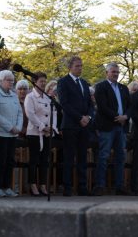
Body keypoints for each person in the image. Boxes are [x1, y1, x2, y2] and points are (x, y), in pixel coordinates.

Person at [56, 56, 94, 196]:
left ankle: (82, 186)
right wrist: (79, 118)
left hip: (84, 126)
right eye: (77, 66)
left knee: (82, 157)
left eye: (81, 66)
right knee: (69, 157)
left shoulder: (84, 83)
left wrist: (88, 117)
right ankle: (67, 186)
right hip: (71, 125)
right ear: (70, 67)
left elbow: (90, 104)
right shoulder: (63, 82)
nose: (80, 68)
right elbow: (64, 104)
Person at [92, 62, 130, 196]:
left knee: (121, 157)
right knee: (104, 156)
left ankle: (119, 186)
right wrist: (117, 117)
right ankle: (100, 186)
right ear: (106, 73)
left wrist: (125, 116)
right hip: (107, 126)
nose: (116, 74)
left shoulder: (123, 88)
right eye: (113, 72)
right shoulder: (101, 87)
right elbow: (102, 106)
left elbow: (130, 106)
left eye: (117, 72)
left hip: (121, 127)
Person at [0, 70, 23, 197]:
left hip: (13, 134)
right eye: (8, 80)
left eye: (12, 80)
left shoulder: (14, 95)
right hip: (1, 134)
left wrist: (18, 127)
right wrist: (10, 127)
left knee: (10, 161)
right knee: (1, 161)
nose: (11, 82)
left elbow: (20, 113)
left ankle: (7, 186)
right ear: (1, 80)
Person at [25, 72, 57, 196]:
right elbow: (30, 114)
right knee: (34, 160)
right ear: (34, 82)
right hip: (34, 133)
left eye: (44, 81)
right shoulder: (30, 97)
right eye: (41, 81)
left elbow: (53, 113)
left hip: (47, 134)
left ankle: (43, 185)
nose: (43, 83)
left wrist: (52, 127)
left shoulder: (48, 98)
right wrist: (43, 127)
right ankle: (32, 184)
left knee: (45, 160)